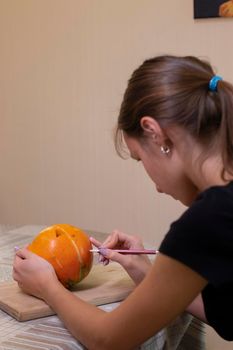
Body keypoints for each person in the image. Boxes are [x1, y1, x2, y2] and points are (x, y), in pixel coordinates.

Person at [13, 55, 233, 349]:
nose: (155, 186)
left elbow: (108, 339)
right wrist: (148, 273)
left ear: (155, 134)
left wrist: (47, 287)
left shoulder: (207, 219)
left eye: (140, 158)